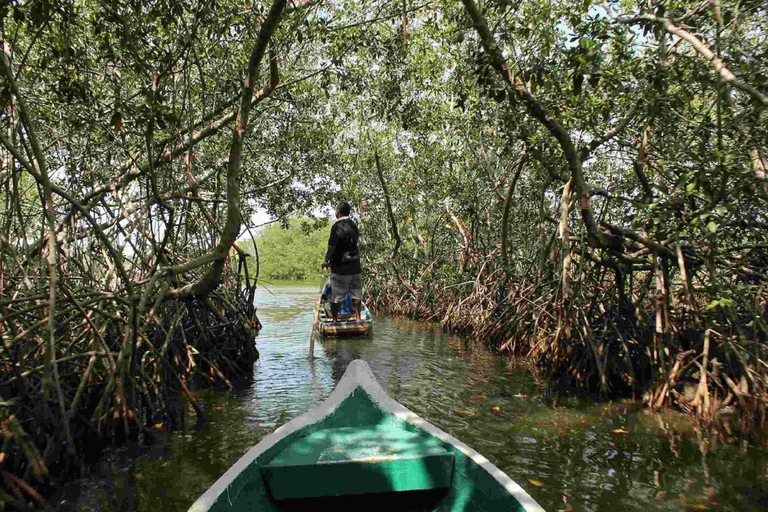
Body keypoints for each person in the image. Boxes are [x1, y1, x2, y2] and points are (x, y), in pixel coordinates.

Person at [322, 202, 362, 323]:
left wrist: (326, 261)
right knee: (356, 293)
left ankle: (334, 320)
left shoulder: (337, 226)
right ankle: (358, 318)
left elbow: (332, 246)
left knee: (336, 296)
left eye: (336, 210)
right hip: (355, 265)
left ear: (338, 211)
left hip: (340, 266)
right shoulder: (354, 225)